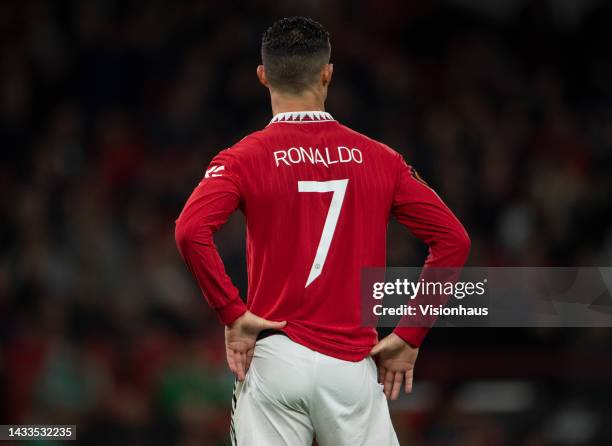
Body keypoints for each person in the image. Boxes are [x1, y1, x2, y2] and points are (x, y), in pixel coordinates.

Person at [175, 16, 470, 446]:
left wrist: (233, 314)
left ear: (262, 76)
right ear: (328, 73)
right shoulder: (381, 159)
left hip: (277, 359)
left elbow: (189, 231)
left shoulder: (242, 158)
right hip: (352, 366)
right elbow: (453, 241)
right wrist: (409, 335)